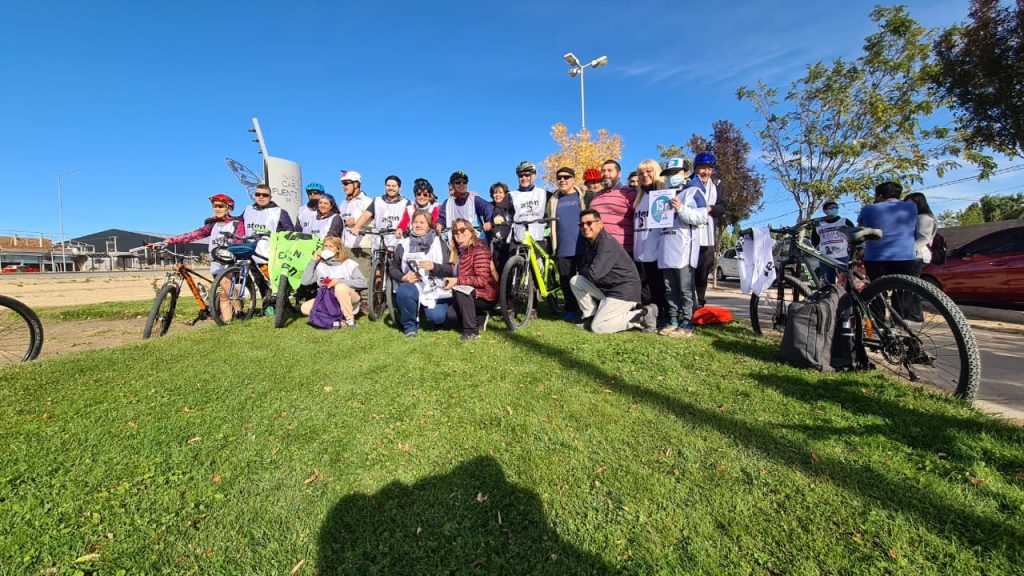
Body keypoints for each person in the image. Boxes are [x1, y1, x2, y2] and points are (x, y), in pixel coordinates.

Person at [159, 194, 246, 320]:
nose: (217, 209)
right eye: (214, 206)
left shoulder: (237, 223)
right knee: (223, 295)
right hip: (216, 264)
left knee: (226, 284)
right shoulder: (212, 225)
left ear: (229, 208)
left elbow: (240, 241)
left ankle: (239, 312)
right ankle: (228, 324)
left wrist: (231, 249)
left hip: (230, 262)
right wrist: (168, 241)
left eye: (220, 206)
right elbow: (192, 235)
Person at [571, 209, 657, 334]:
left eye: (589, 223)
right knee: (576, 281)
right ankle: (590, 318)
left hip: (623, 292)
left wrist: (583, 269)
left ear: (600, 223)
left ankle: (643, 315)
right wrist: (585, 269)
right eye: (582, 224)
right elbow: (587, 269)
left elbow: (594, 274)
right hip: (608, 289)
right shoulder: (590, 242)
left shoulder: (606, 243)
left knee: (599, 327)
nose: (585, 227)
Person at [857, 181, 921, 321]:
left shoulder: (868, 209)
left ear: (879, 196)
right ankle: (899, 322)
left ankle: (879, 322)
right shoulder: (911, 207)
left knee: (877, 292)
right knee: (903, 291)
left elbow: (861, 227)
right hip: (905, 255)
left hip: (876, 257)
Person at [659, 160, 709, 338]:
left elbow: (702, 217)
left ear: (686, 173)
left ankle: (687, 322)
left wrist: (681, 209)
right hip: (666, 246)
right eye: (669, 174)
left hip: (684, 247)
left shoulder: (694, 191)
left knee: (685, 289)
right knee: (669, 288)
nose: (672, 177)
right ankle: (673, 320)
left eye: (676, 172)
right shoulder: (663, 195)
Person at [634, 158, 683, 329]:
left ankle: (664, 315)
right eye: (641, 173)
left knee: (660, 288)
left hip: (656, 249)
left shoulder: (664, 194)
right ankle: (649, 317)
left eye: (649, 171)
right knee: (645, 289)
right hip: (639, 250)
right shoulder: (639, 197)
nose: (644, 175)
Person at [390, 210, 452, 337]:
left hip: (435, 286)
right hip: (413, 284)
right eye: (415, 222)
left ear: (429, 226)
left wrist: (435, 267)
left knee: (438, 317)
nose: (418, 225)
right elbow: (392, 268)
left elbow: (451, 269)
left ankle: (427, 312)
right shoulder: (403, 244)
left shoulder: (439, 243)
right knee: (405, 291)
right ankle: (409, 326)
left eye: (422, 222)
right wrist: (403, 277)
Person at [440, 219, 498, 341]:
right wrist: (434, 268)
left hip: (485, 294)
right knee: (451, 317)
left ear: (471, 231)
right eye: (455, 231)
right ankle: (480, 317)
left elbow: (482, 280)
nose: (458, 233)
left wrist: (457, 281)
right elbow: (450, 270)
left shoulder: (479, 249)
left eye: (462, 230)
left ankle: (471, 331)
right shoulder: (458, 250)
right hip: (467, 293)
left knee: (462, 289)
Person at [546, 167, 587, 320]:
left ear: (573, 179)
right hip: (563, 247)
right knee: (565, 280)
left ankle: (587, 308)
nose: (562, 180)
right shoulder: (553, 200)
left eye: (566, 177)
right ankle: (570, 308)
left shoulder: (583, 196)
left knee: (585, 279)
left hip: (583, 246)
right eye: (559, 178)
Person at [299, 235, 366, 328]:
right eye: (325, 246)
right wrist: (313, 262)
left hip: (348, 298)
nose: (327, 249)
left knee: (340, 287)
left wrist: (339, 281)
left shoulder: (348, 263)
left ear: (338, 249)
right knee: (304, 308)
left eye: (331, 246)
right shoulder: (320, 265)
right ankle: (338, 322)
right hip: (327, 299)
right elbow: (305, 281)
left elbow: (363, 282)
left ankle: (350, 320)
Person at [689, 152, 727, 310]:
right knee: (687, 270)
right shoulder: (688, 182)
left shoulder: (717, 184)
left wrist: (710, 208)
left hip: (708, 234)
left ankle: (699, 303)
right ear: (695, 168)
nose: (705, 172)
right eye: (702, 168)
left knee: (703, 270)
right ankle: (685, 303)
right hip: (689, 233)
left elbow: (722, 207)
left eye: (709, 169)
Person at [591, 159, 637, 256]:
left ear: (619, 174)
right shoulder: (596, 196)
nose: (605, 173)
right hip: (597, 250)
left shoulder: (629, 193)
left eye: (609, 170)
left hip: (622, 252)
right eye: (603, 171)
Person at [351, 175, 410, 250]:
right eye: (388, 185)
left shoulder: (405, 202)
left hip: (398, 241)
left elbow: (407, 219)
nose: (391, 188)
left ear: (399, 188)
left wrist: (401, 229)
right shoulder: (377, 201)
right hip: (380, 241)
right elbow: (366, 215)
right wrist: (356, 227)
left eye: (394, 186)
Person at [242, 183, 295, 263]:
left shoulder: (279, 212)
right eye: (258, 194)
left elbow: (291, 234)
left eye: (265, 195)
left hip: (269, 258)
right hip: (248, 256)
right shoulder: (247, 210)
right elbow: (237, 225)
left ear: (270, 197)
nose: (261, 197)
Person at [338, 170, 374, 280]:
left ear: (356, 184)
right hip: (345, 247)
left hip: (361, 247)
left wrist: (357, 222)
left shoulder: (366, 200)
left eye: (346, 183)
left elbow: (375, 222)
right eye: (342, 184)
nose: (343, 187)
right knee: (347, 279)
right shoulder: (343, 203)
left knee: (363, 280)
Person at [811, 200, 854, 284]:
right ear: (825, 210)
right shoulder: (819, 225)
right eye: (831, 208)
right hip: (825, 258)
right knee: (829, 282)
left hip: (842, 257)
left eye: (836, 207)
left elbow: (853, 235)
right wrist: (819, 250)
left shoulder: (845, 221)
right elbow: (814, 240)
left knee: (845, 282)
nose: (834, 209)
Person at [510, 161, 548, 243]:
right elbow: (500, 207)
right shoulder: (512, 195)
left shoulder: (543, 193)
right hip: (519, 238)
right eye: (521, 176)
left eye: (527, 175)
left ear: (534, 176)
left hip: (539, 238)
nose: (524, 178)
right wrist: (498, 216)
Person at [488, 181, 515, 275]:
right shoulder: (490, 207)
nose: (498, 195)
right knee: (499, 270)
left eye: (500, 192)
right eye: (495, 193)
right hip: (497, 244)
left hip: (510, 243)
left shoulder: (511, 207)